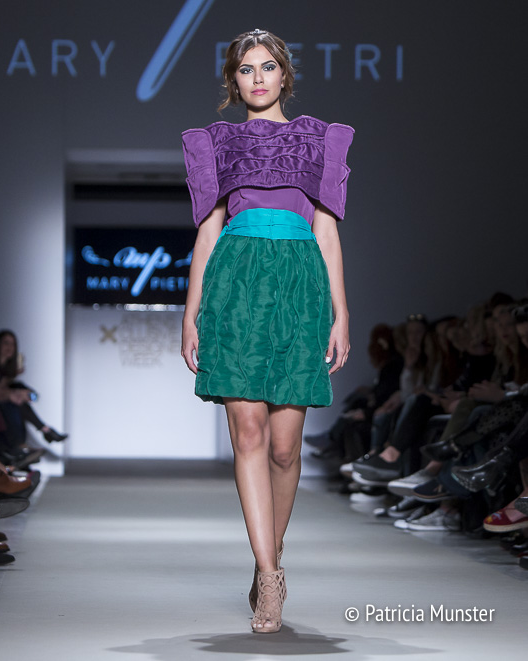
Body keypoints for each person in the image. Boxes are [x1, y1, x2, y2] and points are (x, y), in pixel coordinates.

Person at [180, 29, 353, 634]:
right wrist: (191, 312)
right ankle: (269, 575)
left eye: (268, 67)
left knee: (285, 447)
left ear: (285, 75)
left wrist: (341, 311)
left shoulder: (317, 139)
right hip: (235, 284)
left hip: (300, 286)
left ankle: (269, 555)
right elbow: (207, 232)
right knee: (248, 432)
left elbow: (327, 232)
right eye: (247, 69)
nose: (258, 78)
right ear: (234, 80)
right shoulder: (218, 143)